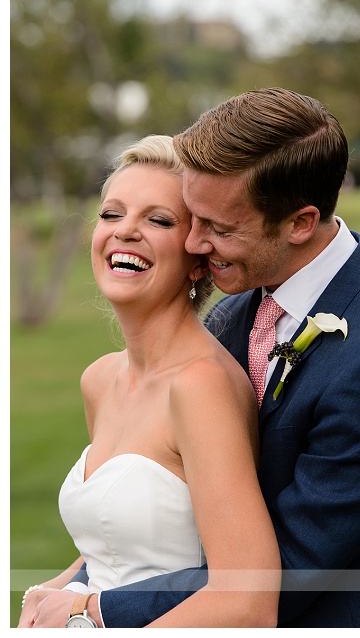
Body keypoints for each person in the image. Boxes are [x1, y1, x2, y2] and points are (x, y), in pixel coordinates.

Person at [29, 89, 360, 627]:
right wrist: (66, 587)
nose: (194, 242)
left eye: (218, 227)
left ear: (300, 223)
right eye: (192, 218)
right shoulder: (238, 309)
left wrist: (92, 612)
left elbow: (277, 574)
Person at [20, 135, 280, 628]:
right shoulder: (99, 380)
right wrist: (51, 594)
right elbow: (116, 546)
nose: (126, 232)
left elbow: (247, 603)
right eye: (111, 214)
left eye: (158, 220)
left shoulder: (201, 387)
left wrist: (83, 621)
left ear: (198, 258)